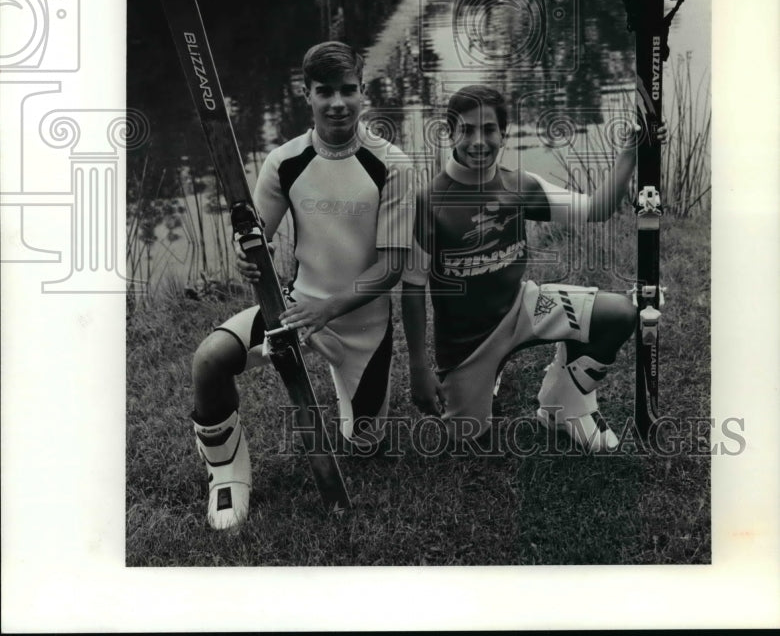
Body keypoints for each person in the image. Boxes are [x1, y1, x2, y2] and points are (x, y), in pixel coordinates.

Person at [191, 42, 414, 529]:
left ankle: (353, 408)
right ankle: (228, 475)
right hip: (295, 308)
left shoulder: (392, 164)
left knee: (365, 448)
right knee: (209, 359)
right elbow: (257, 239)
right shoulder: (284, 161)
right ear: (305, 94)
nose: (338, 103)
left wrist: (328, 311)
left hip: (364, 328)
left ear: (363, 91)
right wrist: (251, 260)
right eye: (325, 91)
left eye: (348, 90)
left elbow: (392, 267)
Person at [401, 84, 663, 454]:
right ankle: (487, 372)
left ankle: (563, 403)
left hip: (522, 309)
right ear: (449, 133)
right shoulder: (429, 201)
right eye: (467, 129)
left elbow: (598, 209)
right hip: (467, 345)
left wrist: (631, 152)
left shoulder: (520, 185)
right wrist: (418, 367)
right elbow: (412, 288)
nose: (479, 141)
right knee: (467, 441)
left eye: (489, 129)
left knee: (619, 313)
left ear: (503, 133)